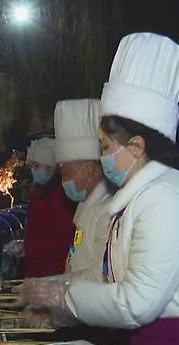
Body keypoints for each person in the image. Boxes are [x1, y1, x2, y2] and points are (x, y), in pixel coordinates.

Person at [16, 33, 179, 345]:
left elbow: (137, 303)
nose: (101, 158)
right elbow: (106, 284)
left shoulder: (165, 198)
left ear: (136, 147)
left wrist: (64, 298)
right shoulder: (135, 198)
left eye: (104, 147)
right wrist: (57, 297)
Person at [54, 99, 113, 281]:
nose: (64, 181)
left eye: (66, 173)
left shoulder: (106, 211)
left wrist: (51, 286)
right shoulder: (84, 210)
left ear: (88, 168)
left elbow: (98, 277)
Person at [23, 137, 76, 277]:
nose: (34, 171)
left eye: (37, 166)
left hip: (53, 272)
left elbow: (63, 239)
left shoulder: (60, 195)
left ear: (51, 166)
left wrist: (29, 248)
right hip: (36, 272)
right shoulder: (38, 193)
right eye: (32, 167)